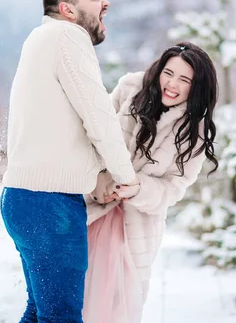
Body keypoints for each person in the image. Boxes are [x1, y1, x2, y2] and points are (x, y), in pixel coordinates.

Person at [0, 0, 139, 323]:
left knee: (40, 313)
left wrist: (96, 177)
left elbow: (63, 131)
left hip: (22, 199)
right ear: (67, 10)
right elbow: (98, 117)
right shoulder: (68, 38)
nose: (105, 3)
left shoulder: (39, 40)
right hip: (50, 207)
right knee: (59, 318)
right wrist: (125, 177)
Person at [83, 42, 219, 323]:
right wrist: (97, 180)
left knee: (118, 308)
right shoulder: (130, 88)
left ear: (197, 87)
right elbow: (92, 137)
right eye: (168, 73)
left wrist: (138, 189)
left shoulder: (195, 129)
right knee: (77, 297)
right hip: (91, 211)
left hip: (136, 228)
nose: (172, 84)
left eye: (184, 80)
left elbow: (173, 188)